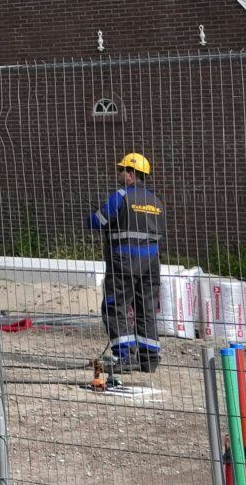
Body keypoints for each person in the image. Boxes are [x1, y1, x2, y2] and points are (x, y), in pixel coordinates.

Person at [88, 150, 163, 372]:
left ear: (131, 174)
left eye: (122, 170)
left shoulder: (120, 196)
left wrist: (93, 216)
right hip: (151, 264)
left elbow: (97, 221)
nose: (119, 173)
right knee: (146, 309)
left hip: (124, 263)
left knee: (115, 306)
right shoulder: (156, 201)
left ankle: (125, 357)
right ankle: (149, 358)